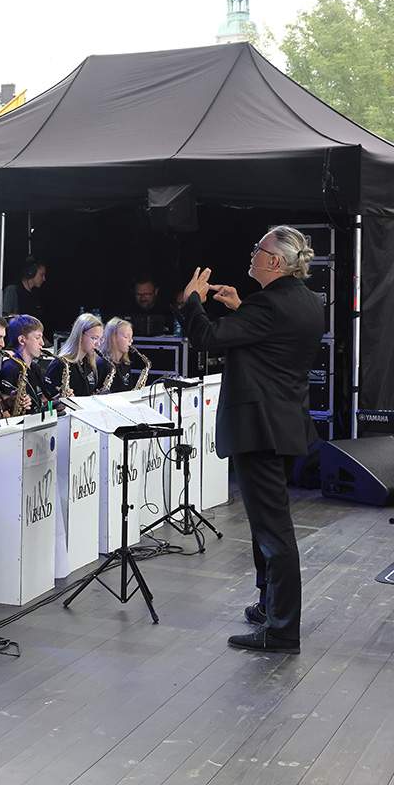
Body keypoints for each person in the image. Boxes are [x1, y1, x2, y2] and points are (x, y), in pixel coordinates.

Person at [178, 226, 322, 655]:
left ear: (274, 261)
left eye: (258, 249)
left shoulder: (269, 305)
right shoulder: (305, 301)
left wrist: (192, 301)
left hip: (261, 429)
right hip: (284, 424)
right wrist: (242, 308)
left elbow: (207, 338)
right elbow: (271, 340)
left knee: (274, 534)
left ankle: (282, 631)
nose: (253, 253)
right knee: (266, 529)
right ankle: (269, 607)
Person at [0, 314, 47, 415]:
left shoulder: (35, 367)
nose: (42, 343)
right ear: (22, 340)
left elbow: (42, 401)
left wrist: (58, 401)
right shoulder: (9, 369)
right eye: (37, 338)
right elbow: (3, 411)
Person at [45, 313, 104, 399]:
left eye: (100, 339)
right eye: (94, 338)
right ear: (80, 336)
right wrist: (59, 399)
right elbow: (46, 401)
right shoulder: (60, 364)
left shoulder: (88, 364)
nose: (98, 344)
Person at [96, 317, 136, 393]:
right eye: (126, 337)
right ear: (113, 337)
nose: (131, 341)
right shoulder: (101, 364)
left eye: (131, 337)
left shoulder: (125, 364)